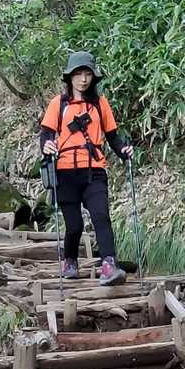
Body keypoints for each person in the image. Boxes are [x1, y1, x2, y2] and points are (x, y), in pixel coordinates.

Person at [40, 51, 134, 284]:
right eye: (78, 74)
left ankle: (109, 265)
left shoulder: (100, 104)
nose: (83, 79)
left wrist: (123, 151)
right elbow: (46, 135)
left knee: (101, 216)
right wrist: (47, 146)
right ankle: (70, 260)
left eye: (88, 74)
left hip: (94, 171)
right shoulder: (58, 103)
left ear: (93, 77)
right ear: (69, 76)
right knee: (74, 226)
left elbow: (112, 137)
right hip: (65, 173)